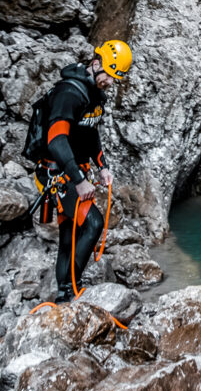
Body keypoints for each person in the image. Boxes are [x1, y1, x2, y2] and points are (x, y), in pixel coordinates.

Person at [35, 39, 132, 302]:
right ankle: (71, 288)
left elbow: (90, 132)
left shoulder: (93, 94)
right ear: (96, 63)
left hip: (72, 171)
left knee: (70, 233)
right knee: (94, 222)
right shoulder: (69, 93)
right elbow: (56, 140)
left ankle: (66, 291)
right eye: (109, 76)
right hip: (58, 173)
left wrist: (102, 167)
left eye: (115, 79)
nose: (110, 83)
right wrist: (78, 180)